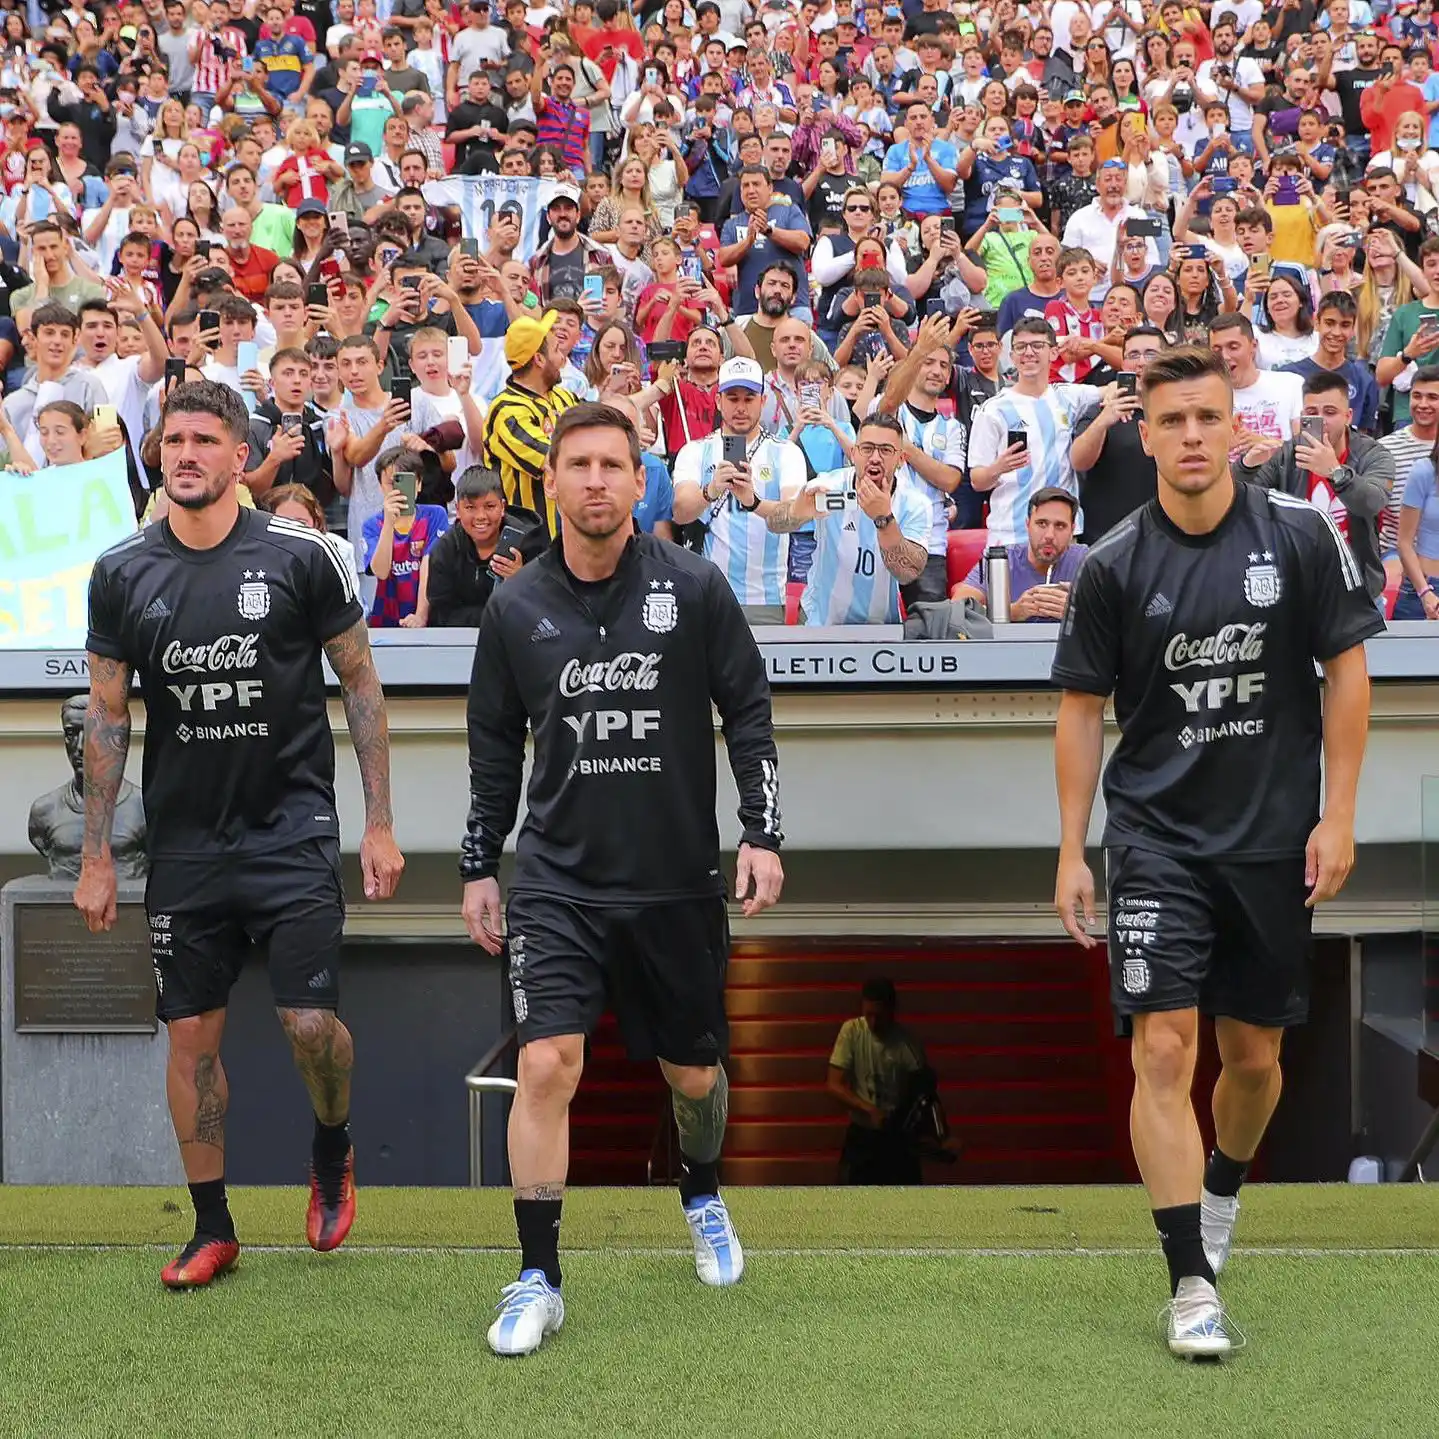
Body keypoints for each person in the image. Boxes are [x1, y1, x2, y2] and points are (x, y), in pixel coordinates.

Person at [1051, 344, 1384, 1360]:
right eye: (1170, 421)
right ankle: (1187, 1278)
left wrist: (1337, 815)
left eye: (1207, 417)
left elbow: (1347, 674)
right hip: (1154, 839)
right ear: (1142, 434)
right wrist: (1070, 849)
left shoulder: (1295, 534)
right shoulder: (1109, 563)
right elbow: (1076, 712)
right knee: (1161, 1048)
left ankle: (1222, 1190)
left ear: (1235, 424)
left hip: (1272, 841)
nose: (1190, 436)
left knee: (1253, 1059)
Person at [460, 400, 784, 1357]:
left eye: (614, 464)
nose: (597, 480)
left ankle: (701, 1192)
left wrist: (762, 833)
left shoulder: (692, 587)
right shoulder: (514, 605)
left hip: (677, 881)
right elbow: (490, 750)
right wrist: (480, 862)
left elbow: (749, 712)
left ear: (639, 479)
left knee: (693, 1072)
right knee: (546, 1064)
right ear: (551, 481)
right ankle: (537, 1276)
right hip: (558, 882)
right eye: (579, 464)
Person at [74, 379, 406, 1290]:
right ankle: (212, 1226)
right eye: (171, 439)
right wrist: (97, 853)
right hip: (185, 843)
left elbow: (362, 684)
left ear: (237, 456)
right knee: (191, 1043)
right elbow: (108, 717)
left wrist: (378, 824)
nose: (184, 453)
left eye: (203, 440)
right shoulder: (121, 572)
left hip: (292, 829)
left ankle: (331, 1144)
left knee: (308, 1022)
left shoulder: (306, 556)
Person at [1236, 370, 1395, 603]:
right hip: (1298, 587)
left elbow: (1373, 502)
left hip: (1357, 589)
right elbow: (1243, 500)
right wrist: (1247, 466)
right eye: (1312, 413)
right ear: (1302, 416)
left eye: (1330, 412)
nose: (1321, 420)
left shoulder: (1373, 454)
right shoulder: (1288, 454)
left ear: (1349, 416)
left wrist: (1335, 472)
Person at [758, 412, 929, 625]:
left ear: (901, 459)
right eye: (867, 448)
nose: (875, 458)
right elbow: (774, 523)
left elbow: (907, 573)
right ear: (854, 453)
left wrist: (884, 519)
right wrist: (796, 512)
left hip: (882, 627)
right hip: (822, 622)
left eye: (886, 450)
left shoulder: (915, 503)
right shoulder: (827, 486)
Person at [671, 356, 806, 623]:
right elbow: (681, 512)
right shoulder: (695, 451)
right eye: (732, 398)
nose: (741, 407)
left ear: (763, 401)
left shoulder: (785, 452)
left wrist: (754, 503)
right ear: (718, 401)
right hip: (710, 597)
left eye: (749, 398)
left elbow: (795, 516)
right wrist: (710, 491)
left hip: (767, 599)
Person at [967, 317, 1105, 546]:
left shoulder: (1067, 396)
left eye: (1037, 346)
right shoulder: (992, 410)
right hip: (1012, 535)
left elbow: (1109, 390)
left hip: (1063, 536)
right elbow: (977, 481)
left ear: (1053, 352)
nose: (1028, 353)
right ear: (1011, 357)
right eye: (1020, 347)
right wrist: (999, 467)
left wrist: (1112, 395)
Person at [480, 311, 579, 537]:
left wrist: (659, 388)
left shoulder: (562, 397)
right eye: (555, 350)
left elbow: (600, 420)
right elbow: (552, 459)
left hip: (566, 535)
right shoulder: (506, 410)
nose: (562, 357)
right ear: (539, 359)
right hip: (528, 542)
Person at [826, 977, 928, 1185]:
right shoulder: (852, 1031)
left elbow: (925, 1096)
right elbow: (833, 1085)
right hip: (861, 1138)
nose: (873, 1022)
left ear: (892, 1011)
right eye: (868, 1014)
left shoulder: (907, 1044)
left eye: (879, 1016)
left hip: (897, 1138)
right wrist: (869, 1109)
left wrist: (942, 1137)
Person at [1070, 326, 1166, 542]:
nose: (1141, 362)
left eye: (1150, 354)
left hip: (1163, 537)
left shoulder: (1179, 411)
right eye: (1133, 355)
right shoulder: (1100, 410)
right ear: (1123, 364)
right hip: (1106, 540)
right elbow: (1079, 461)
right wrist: (1104, 420)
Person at [422, 466, 546, 627]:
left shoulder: (530, 543)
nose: (480, 516)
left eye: (489, 506)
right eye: (470, 508)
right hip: (459, 641)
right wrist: (492, 618)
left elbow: (546, 607)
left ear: (502, 507)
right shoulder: (445, 549)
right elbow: (440, 613)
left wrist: (521, 581)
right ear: (458, 510)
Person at [951, 487, 1089, 621]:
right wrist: (1012, 612)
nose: (1049, 535)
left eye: (1060, 526)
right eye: (1041, 524)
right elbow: (956, 612)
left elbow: (1109, 613)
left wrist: (1078, 609)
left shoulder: (1085, 561)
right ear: (1027, 525)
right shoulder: (1000, 560)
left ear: (1072, 530)